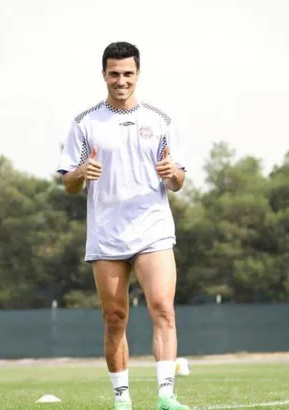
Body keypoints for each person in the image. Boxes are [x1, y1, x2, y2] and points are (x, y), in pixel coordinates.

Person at [56, 41, 190, 410]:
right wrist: (80, 172)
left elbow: (177, 181)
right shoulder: (85, 123)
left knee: (162, 307)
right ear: (104, 74)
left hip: (152, 230)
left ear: (137, 74)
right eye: (114, 73)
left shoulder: (160, 120)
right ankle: (122, 400)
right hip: (107, 234)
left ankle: (166, 396)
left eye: (128, 73)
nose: (121, 80)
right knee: (114, 318)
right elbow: (68, 184)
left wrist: (173, 173)